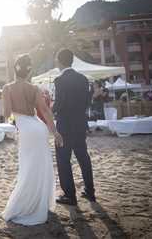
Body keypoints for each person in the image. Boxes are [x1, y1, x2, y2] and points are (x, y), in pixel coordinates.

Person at [2, 54, 62, 225]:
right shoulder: (34, 88)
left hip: (26, 129)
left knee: (27, 167)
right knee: (41, 166)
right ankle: (40, 202)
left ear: (15, 69)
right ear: (28, 72)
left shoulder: (7, 88)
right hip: (39, 128)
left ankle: (26, 203)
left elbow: (7, 114)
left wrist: (10, 120)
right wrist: (55, 132)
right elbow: (45, 111)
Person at [53, 49, 95, 206]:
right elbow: (87, 101)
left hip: (64, 126)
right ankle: (90, 192)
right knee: (83, 157)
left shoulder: (60, 80)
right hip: (80, 123)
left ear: (59, 61)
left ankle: (70, 195)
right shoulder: (83, 78)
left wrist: (49, 110)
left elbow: (59, 103)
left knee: (64, 160)